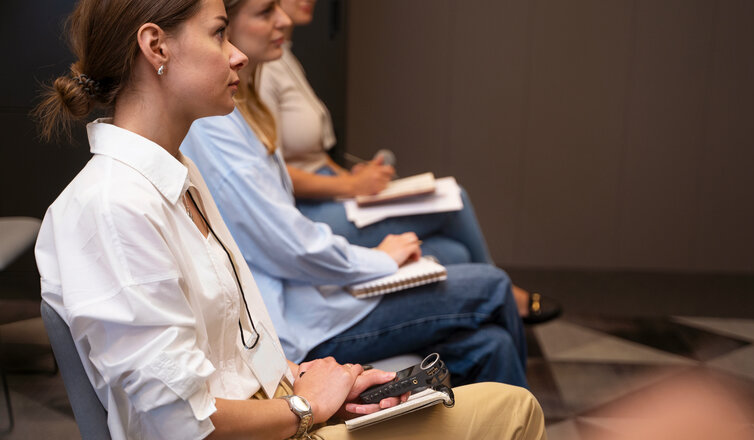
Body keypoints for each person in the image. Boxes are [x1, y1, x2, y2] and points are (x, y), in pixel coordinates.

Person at [33, 0, 547, 438]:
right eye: (218, 33)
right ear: (156, 47)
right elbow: (180, 421)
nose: (236, 54)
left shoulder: (176, 173)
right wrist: (306, 407)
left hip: (279, 414)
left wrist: (310, 382)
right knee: (514, 408)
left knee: (486, 374)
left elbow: (229, 355)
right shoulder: (111, 206)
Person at [182, 0, 529, 390]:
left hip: (311, 297)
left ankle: (506, 417)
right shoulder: (214, 124)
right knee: (493, 285)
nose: (284, 19)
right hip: (297, 323)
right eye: (264, 12)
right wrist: (380, 260)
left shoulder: (245, 107)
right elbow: (289, 245)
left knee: (493, 344)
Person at [259, 0, 560, 322]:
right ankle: (502, 294)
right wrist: (351, 185)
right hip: (307, 211)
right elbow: (273, 171)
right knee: (453, 199)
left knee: (455, 251)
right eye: (266, 10)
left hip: (329, 192)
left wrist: (352, 177)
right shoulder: (262, 71)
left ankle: (479, 311)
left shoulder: (285, 56)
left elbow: (312, 156)